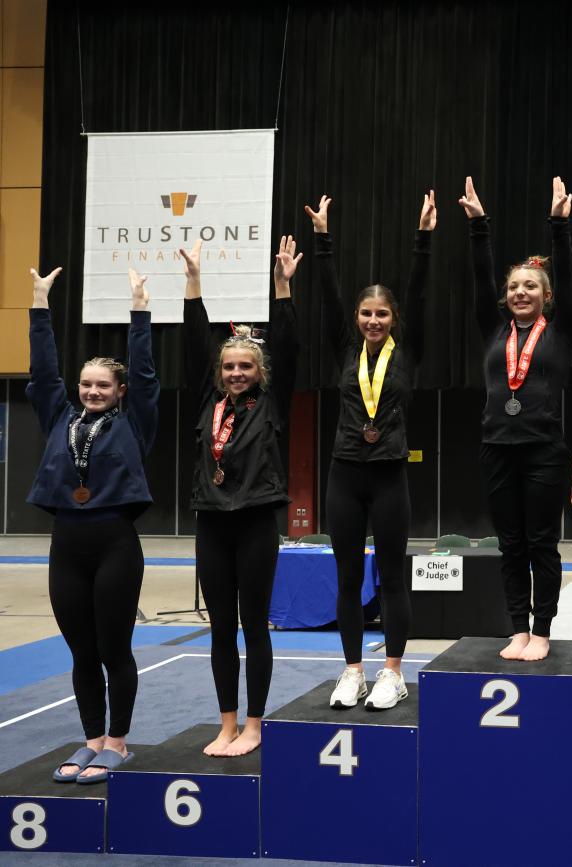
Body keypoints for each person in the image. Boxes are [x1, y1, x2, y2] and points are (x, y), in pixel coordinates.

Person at [28, 265, 158, 782]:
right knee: (81, 650)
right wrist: (40, 307)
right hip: (67, 544)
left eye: (102, 384)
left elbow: (147, 375)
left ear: (119, 390)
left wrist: (140, 311)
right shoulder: (59, 417)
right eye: (85, 383)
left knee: (113, 648)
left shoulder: (134, 421)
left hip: (115, 544)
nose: (91, 391)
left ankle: (119, 742)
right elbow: (42, 375)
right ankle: (91, 739)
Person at [306, 191, 435, 710]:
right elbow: (329, 296)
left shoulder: (409, 351)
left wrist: (424, 239)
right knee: (347, 576)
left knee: (393, 574)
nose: (373, 320)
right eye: (366, 313)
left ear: (393, 318)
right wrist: (322, 239)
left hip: (388, 476)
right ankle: (353, 670)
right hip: (344, 474)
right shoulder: (345, 348)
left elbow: (421, 294)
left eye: (382, 313)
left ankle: (393, 672)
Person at [182, 236, 301, 754]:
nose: (235, 373)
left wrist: (282, 288)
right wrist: (193, 284)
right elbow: (193, 342)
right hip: (212, 522)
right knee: (220, 629)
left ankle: (254, 724)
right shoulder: (208, 400)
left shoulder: (273, 403)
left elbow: (291, 345)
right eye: (228, 367)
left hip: (255, 523)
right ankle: (226, 722)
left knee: (253, 625)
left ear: (260, 373)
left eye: (245, 367)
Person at [460, 175, 572, 662]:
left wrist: (558, 226)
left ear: (546, 295)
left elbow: (568, 275)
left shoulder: (562, 329)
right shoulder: (493, 331)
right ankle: (517, 629)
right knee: (509, 545)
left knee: (541, 545)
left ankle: (544, 629)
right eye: (514, 287)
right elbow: (479, 276)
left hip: (545, 449)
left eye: (530, 286)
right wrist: (478, 228)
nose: (520, 292)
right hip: (497, 449)